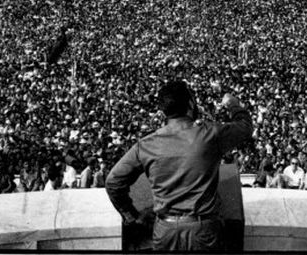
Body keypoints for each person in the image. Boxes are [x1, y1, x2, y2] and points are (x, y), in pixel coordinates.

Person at [105, 82, 252, 252]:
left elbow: (113, 182)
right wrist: (232, 104)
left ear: (163, 111)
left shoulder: (146, 145)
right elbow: (245, 128)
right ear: (190, 105)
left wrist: (131, 216)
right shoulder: (210, 134)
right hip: (203, 231)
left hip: (165, 231)